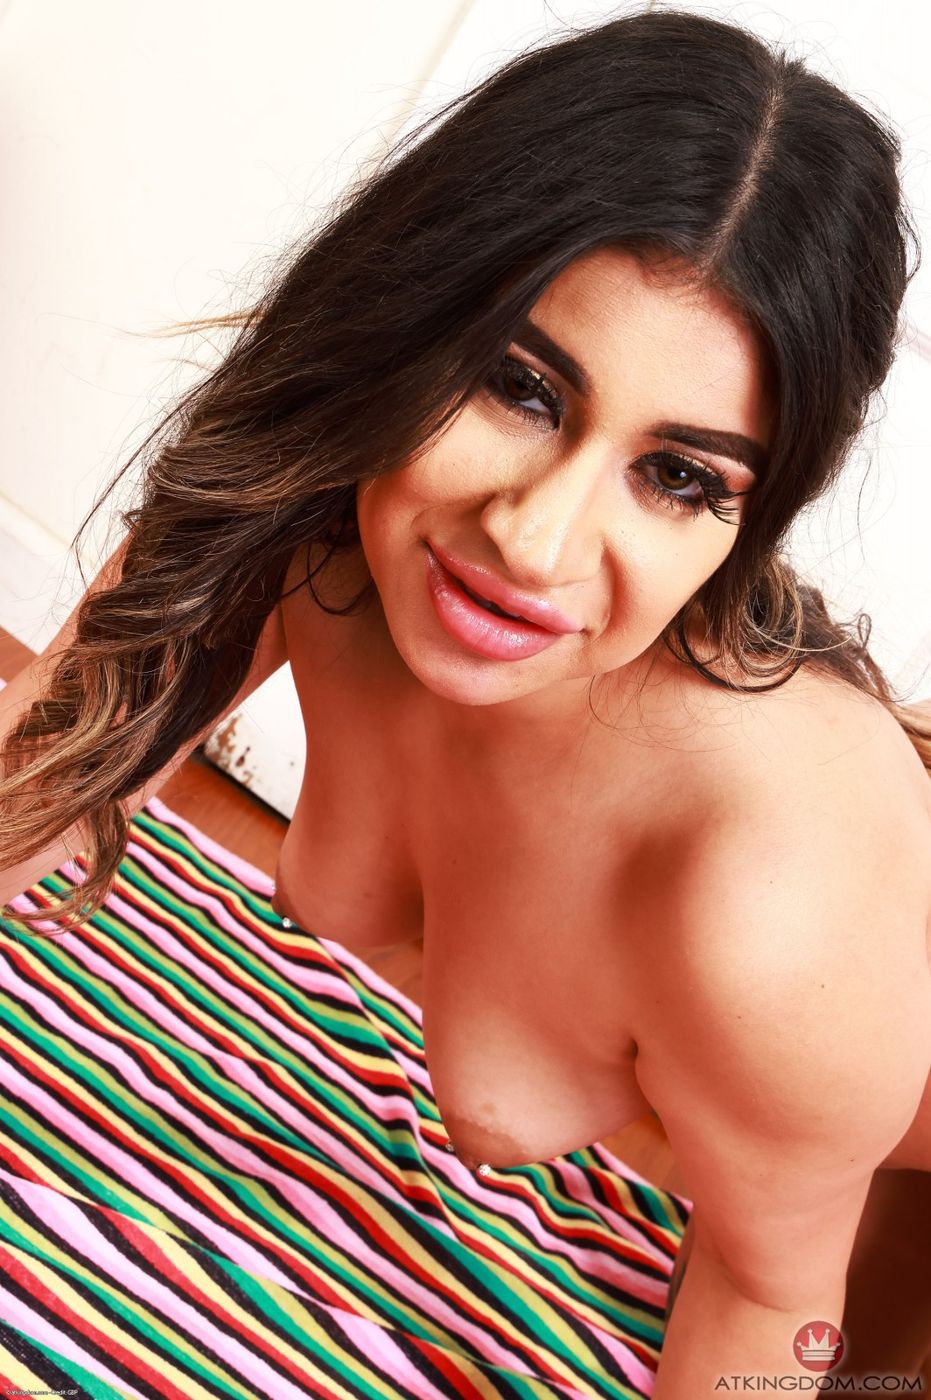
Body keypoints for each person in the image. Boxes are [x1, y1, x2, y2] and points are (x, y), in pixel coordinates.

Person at [1, 8, 930, 1394]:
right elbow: (38, 787)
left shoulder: (766, 896)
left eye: (680, 476)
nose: (534, 543)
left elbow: (769, 1303)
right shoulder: (302, 519)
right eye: (519, 387)